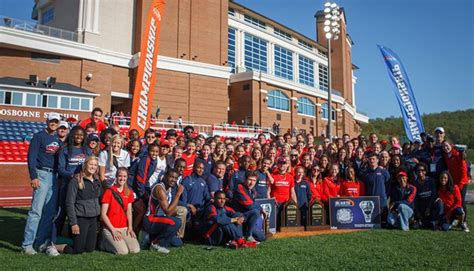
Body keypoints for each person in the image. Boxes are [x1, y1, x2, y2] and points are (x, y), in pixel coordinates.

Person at [22, 112, 61, 255]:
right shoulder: (39, 136)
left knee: (49, 213)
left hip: (54, 177)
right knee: (36, 212)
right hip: (42, 175)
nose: (53, 124)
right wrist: (33, 176)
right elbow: (31, 158)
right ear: (47, 121)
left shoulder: (57, 138)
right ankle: (27, 244)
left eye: (56, 122)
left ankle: (41, 242)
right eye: (52, 121)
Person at [56, 126, 91, 237]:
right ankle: (55, 236)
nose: (79, 137)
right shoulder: (65, 149)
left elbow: (91, 166)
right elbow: (61, 169)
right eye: (76, 134)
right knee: (62, 211)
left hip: (81, 185)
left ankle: (73, 236)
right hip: (67, 184)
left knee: (76, 211)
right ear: (72, 135)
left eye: (81, 135)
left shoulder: (87, 150)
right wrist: (71, 175)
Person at [64, 156, 102, 254]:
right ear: (85, 165)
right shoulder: (76, 180)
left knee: (90, 249)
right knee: (78, 250)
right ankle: (54, 244)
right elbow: (69, 202)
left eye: (95, 165)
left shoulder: (97, 181)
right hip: (81, 218)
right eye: (91, 164)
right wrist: (74, 223)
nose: (93, 167)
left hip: (93, 219)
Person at [143, 169, 184, 254]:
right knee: (176, 222)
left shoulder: (168, 190)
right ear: (165, 176)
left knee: (178, 243)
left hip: (160, 220)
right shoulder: (159, 188)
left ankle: (150, 238)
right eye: (171, 177)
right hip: (151, 219)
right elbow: (168, 212)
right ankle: (156, 244)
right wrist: (178, 194)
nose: (173, 180)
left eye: (176, 178)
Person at [100, 168, 140, 254]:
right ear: (116, 177)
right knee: (123, 251)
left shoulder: (129, 192)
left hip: (124, 228)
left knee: (135, 250)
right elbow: (103, 214)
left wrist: (130, 227)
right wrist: (113, 230)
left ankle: (120, 241)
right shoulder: (109, 191)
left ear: (127, 177)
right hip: (111, 228)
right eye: (120, 176)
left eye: (124, 176)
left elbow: (129, 212)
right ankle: (104, 243)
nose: (122, 179)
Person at [360, 152, 391, 224]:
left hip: (382, 202)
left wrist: (385, 196)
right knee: (371, 223)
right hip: (370, 202)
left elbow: (388, 186)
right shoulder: (365, 173)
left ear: (377, 160)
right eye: (370, 159)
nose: (372, 161)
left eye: (373, 159)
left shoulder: (384, 172)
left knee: (384, 223)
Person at [442, 141, 469, 221]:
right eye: (443, 147)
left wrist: (460, 184)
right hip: (454, 182)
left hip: (462, 182)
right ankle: (456, 218)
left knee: (461, 201)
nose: (445, 148)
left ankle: (464, 220)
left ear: (451, 145)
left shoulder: (457, 154)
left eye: (447, 146)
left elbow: (463, 170)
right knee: (454, 201)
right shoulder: (446, 155)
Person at [412, 163, 439, 230]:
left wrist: (429, 208)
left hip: (430, 204)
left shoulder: (431, 180)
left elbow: (433, 195)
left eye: (422, 170)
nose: (420, 172)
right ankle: (419, 221)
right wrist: (417, 212)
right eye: (418, 170)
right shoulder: (414, 183)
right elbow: (415, 199)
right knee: (425, 225)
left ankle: (435, 222)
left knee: (439, 204)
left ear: (425, 171)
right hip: (421, 205)